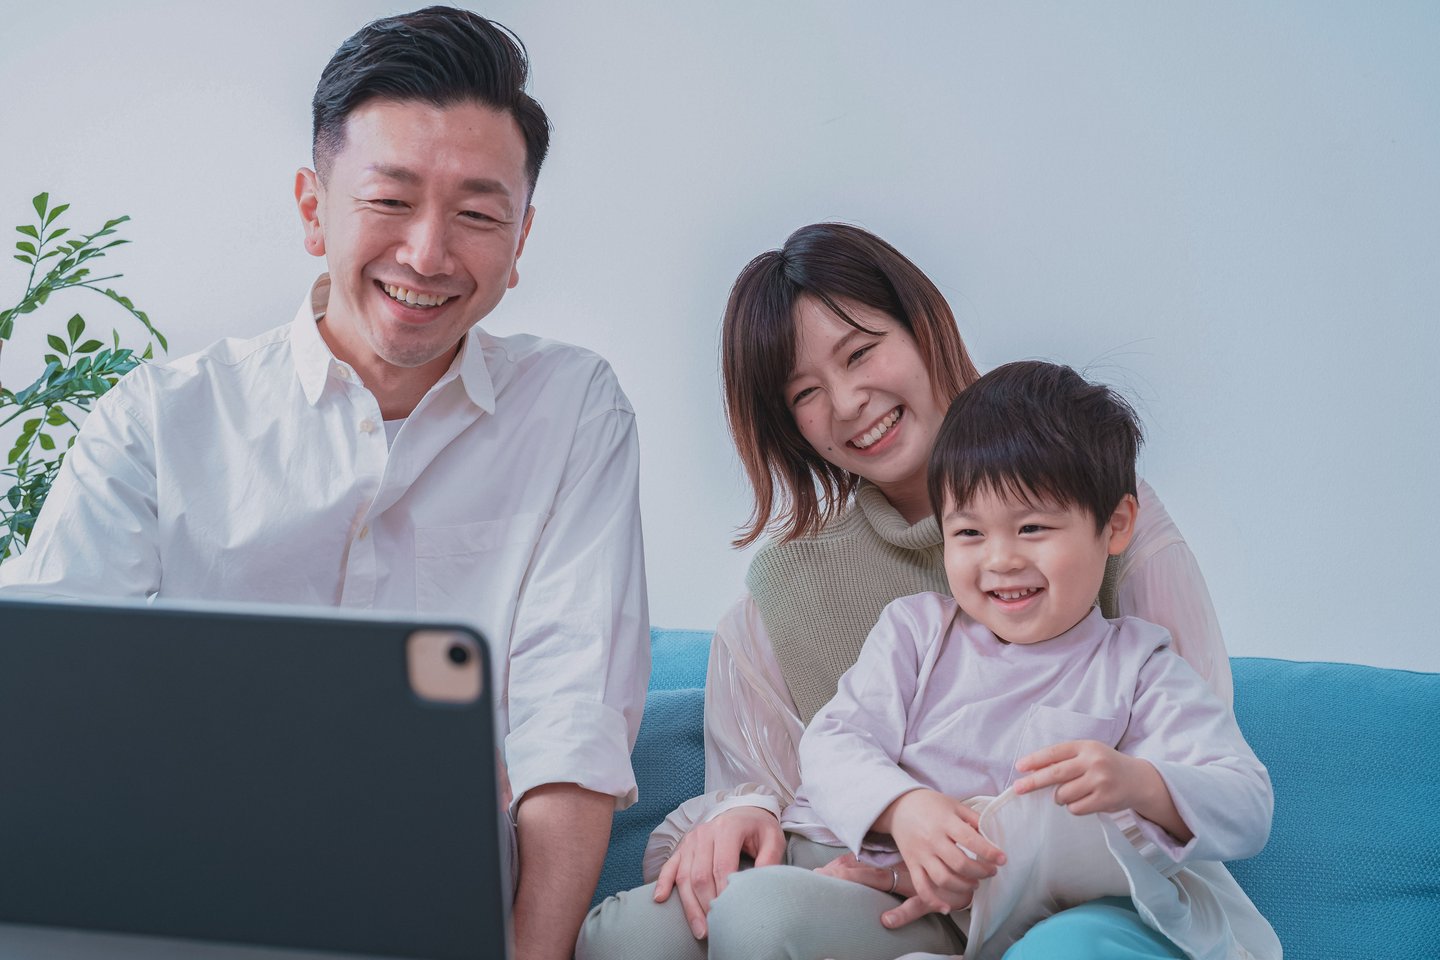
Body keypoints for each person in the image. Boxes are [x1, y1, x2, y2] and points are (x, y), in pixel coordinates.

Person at [0, 8, 648, 960]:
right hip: (169, 889)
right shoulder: (159, 419)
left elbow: (571, 725)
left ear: (519, 239)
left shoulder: (574, 410)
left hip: (433, 908)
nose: (428, 254)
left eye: (476, 214)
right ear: (313, 208)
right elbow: (45, 701)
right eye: (390, 200)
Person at [578, 223, 1232, 960]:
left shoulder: (1099, 508)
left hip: (1050, 887)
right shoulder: (793, 597)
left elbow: (1193, 755)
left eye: (861, 352)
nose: (851, 401)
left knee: (768, 922)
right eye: (807, 393)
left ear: (924, 328)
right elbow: (785, 777)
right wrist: (746, 812)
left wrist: (962, 845)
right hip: (849, 865)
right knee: (631, 937)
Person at [785, 360, 1278, 959]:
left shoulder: (1139, 665)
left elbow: (1247, 804)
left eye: (1033, 527)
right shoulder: (917, 632)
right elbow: (832, 742)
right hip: (927, 911)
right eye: (968, 533)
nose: (1001, 560)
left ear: (1116, 524)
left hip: (1071, 920)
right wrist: (903, 807)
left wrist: (1140, 782)